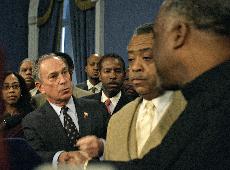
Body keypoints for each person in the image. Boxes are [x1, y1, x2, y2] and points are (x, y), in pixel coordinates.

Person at [83, 0, 230, 169]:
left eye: (156, 42)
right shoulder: (206, 97)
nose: (136, 67)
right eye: (131, 59)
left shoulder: (214, 104)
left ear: (178, 34)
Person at [104, 23, 186, 161]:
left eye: (147, 57)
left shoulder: (193, 110)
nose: (135, 67)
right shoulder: (117, 121)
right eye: (131, 59)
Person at [22, 54, 109, 166]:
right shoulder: (32, 121)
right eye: (53, 76)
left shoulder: (97, 108)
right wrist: (59, 157)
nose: (63, 80)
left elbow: (118, 146)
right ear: (40, 87)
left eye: (64, 72)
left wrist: (101, 146)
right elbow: (34, 156)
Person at [0, 72, 34, 138]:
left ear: (21, 90)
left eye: (15, 86)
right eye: (6, 87)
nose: (11, 90)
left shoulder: (31, 115)